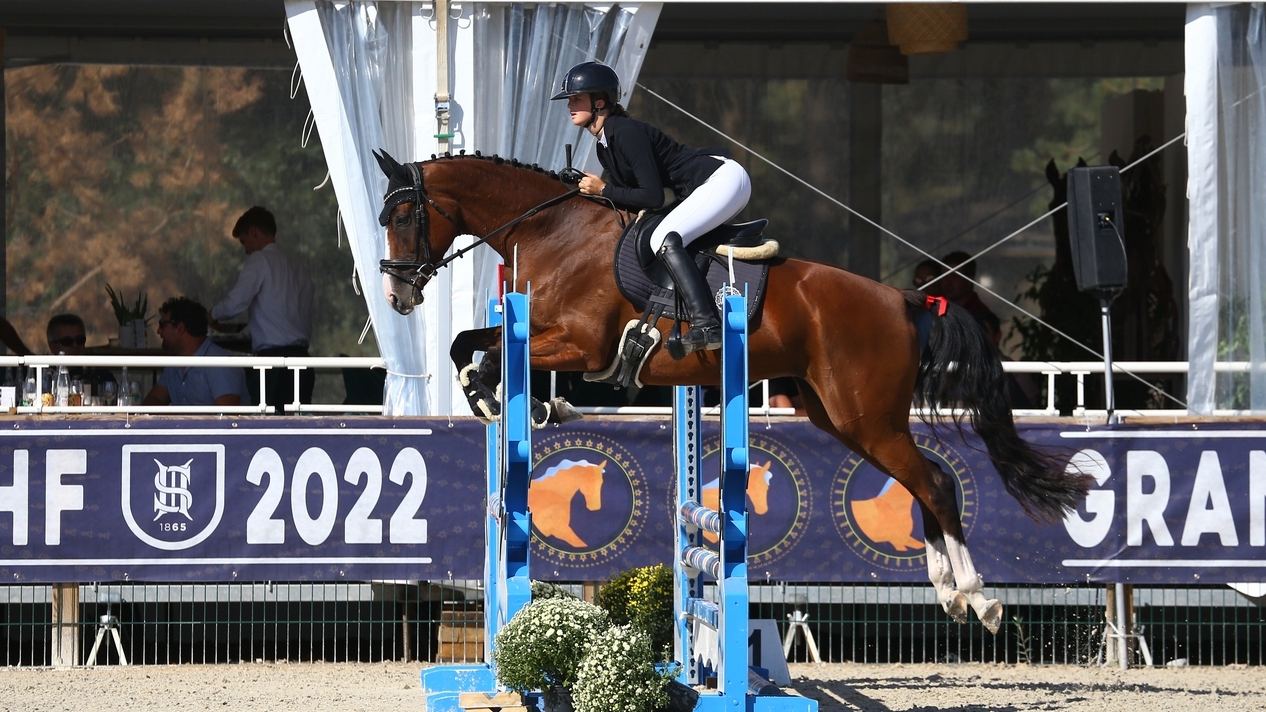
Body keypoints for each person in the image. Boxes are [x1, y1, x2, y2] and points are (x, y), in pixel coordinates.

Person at [551, 61, 752, 355]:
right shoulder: (604, 145)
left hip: (722, 180)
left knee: (663, 237)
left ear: (600, 102)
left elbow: (652, 197)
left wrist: (603, 189)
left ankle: (707, 323)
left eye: (576, 98)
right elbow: (629, 199)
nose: (569, 105)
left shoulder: (625, 131)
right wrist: (589, 190)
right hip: (708, 185)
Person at [210, 206, 315, 413]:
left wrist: (210, 315)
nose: (246, 249)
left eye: (244, 242)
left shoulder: (259, 260)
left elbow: (235, 303)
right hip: (302, 360)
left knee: (267, 428)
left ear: (254, 233)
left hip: (272, 363)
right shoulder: (297, 267)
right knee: (297, 426)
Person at [144, 297, 250, 407]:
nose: (158, 331)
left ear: (180, 328)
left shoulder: (220, 363)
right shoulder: (174, 364)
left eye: (162, 325)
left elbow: (229, 419)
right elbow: (154, 399)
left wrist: (179, 419)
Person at [45, 313, 115, 390]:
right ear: (52, 347)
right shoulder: (43, 378)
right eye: (67, 341)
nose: (75, 345)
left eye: (80, 340)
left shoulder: (101, 377)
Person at [938, 251, 996, 322]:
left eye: (954, 276)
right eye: (943, 277)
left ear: (969, 280)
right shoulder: (938, 310)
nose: (947, 282)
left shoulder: (980, 316)